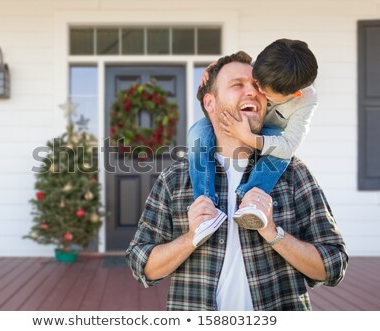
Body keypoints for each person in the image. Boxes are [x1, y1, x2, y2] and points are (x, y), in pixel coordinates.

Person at [125, 51, 348, 311]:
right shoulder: (175, 178)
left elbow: (333, 266)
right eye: (236, 85)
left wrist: (273, 233)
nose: (252, 92)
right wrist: (190, 237)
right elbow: (142, 266)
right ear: (210, 103)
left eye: (256, 86)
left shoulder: (293, 173)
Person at [188, 39, 319, 246]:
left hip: (269, 134)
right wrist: (216, 67)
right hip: (237, 121)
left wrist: (249, 137)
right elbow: (238, 66)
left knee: (280, 154)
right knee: (196, 132)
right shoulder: (268, 64)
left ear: (294, 94)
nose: (254, 91)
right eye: (255, 80)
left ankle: (253, 199)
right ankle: (205, 205)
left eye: (263, 91)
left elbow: (288, 145)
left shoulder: (305, 100)